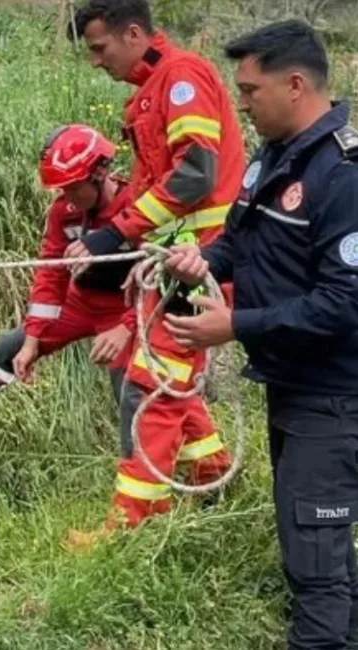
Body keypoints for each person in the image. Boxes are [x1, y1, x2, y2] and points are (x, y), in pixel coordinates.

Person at [163, 20, 358, 650]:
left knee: (317, 568)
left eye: (250, 90)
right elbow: (245, 242)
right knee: (324, 553)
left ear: (295, 84)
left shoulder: (343, 177)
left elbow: (343, 302)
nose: (240, 102)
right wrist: (206, 261)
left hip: (333, 399)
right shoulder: (276, 154)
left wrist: (234, 324)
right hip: (290, 384)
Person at [63, 0, 243, 540]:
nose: (97, 62)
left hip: (202, 260)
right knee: (174, 379)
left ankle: (130, 525)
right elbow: (154, 186)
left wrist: (116, 233)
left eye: (100, 48)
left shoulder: (181, 78)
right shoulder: (151, 92)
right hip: (175, 262)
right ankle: (212, 475)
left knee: (151, 386)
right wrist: (111, 241)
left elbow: (195, 175)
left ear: (135, 32)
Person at [0, 124, 140, 451]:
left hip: (128, 310)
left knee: (130, 387)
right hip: (80, 303)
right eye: (63, 190)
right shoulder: (64, 213)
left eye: (73, 188)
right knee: (12, 346)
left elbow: (161, 275)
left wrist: (129, 327)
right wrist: (33, 339)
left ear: (99, 174)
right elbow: (51, 275)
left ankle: (141, 475)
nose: (68, 198)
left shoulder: (138, 208)